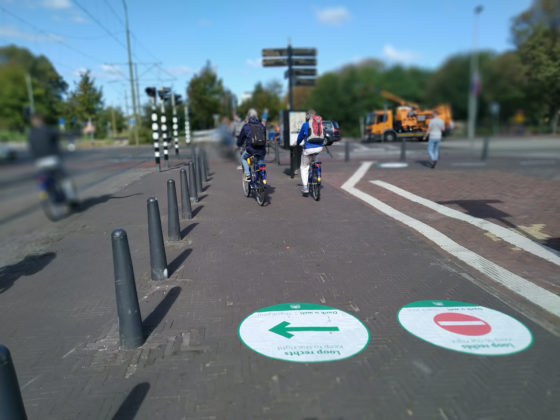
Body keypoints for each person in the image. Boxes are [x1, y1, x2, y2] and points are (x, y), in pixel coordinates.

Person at [27, 113, 79, 205]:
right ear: (42, 120)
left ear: (32, 123)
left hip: (39, 163)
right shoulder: (48, 130)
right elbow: (65, 134)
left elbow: (31, 149)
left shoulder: (31, 134)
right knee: (65, 179)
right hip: (53, 160)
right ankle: (72, 200)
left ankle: (49, 193)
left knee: (44, 178)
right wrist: (82, 131)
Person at [296, 109, 324, 194]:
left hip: (308, 149)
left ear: (308, 116)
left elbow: (300, 137)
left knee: (304, 167)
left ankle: (305, 187)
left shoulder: (305, 124)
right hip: (319, 148)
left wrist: (297, 143)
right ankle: (317, 171)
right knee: (315, 158)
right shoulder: (320, 124)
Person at [236, 108, 266, 181]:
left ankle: (248, 175)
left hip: (251, 149)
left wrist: (239, 144)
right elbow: (264, 137)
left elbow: (241, 138)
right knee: (260, 161)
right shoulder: (262, 126)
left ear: (248, 116)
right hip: (261, 149)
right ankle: (261, 177)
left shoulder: (246, 126)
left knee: (243, 158)